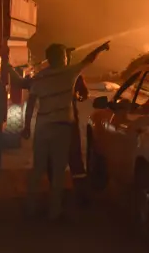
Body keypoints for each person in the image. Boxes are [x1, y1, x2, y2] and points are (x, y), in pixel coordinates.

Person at [23, 40, 110, 220]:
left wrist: (26, 126)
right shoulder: (69, 73)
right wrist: (101, 49)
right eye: (64, 55)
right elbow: (88, 60)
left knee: (38, 168)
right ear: (61, 58)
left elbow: (30, 103)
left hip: (42, 127)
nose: (66, 58)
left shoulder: (39, 77)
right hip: (62, 128)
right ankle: (54, 212)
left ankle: (30, 207)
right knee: (58, 170)